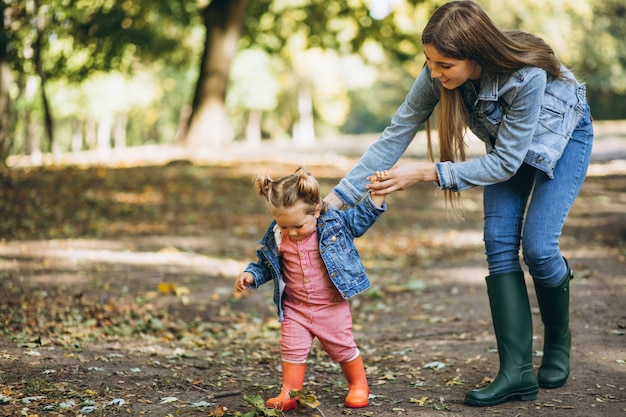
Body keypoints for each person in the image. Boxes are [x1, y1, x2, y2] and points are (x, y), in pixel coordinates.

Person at [324, 0, 594, 408]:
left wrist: (424, 173)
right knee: (498, 243)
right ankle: (516, 372)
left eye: (444, 64)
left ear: (476, 55)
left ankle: (558, 339)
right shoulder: (440, 73)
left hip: (564, 137)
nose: (434, 72)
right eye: (429, 61)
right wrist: (337, 198)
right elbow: (398, 131)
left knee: (539, 248)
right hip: (510, 149)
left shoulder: (527, 77)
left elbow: (504, 163)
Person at [234, 166, 389, 411]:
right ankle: (290, 392)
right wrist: (251, 275)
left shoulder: (334, 225)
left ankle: (359, 384)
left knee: (342, 347)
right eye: (284, 226)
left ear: (316, 210)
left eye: (298, 226)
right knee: (291, 348)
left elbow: (360, 219)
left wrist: (377, 195)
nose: (291, 233)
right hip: (295, 307)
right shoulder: (277, 235)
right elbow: (265, 264)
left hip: (330, 307)